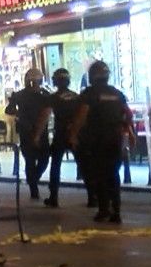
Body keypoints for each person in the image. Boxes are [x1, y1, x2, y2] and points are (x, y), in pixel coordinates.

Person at [70, 61, 134, 224]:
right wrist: (130, 133)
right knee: (113, 174)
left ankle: (104, 209)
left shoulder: (89, 93)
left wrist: (73, 134)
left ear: (92, 76)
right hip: (115, 138)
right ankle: (116, 211)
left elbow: (82, 115)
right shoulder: (117, 93)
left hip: (96, 139)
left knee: (98, 175)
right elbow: (127, 114)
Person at [5, 68, 53, 200]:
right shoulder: (20, 95)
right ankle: (33, 188)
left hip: (39, 130)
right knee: (31, 160)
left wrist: (18, 114)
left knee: (42, 159)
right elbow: (9, 110)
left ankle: (33, 181)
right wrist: (18, 114)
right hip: (27, 131)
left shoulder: (44, 95)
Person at [46, 68, 78, 208]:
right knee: (83, 164)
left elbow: (45, 114)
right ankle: (92, 196)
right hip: (75, 132)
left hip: (60, 134)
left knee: (55, 165)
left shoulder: (53, 97)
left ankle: (54, 197)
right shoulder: (76, 96)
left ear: (56, 81)